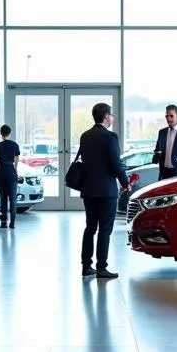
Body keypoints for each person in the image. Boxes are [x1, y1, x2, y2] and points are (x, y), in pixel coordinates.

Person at [76, 101, 129, 280]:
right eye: (111, 114)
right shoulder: (110, 137)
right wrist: (125, 182)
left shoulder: (85, 136)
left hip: (89, 190)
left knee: (90, 227)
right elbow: (116, 164)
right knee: (105, 230)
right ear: (106, 117)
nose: (112, 117)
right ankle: (101, 268)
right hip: (106, 191)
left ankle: (86, 266)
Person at [0, 124, 21, 229]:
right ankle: (12, 223)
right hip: (11, 172)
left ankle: (3, 223)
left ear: (1, 133)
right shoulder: (15, 145)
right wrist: (15, 171)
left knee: (3, 198)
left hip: (1, 172)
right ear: (10, 133)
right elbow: (16, 160)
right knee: (13, 199)